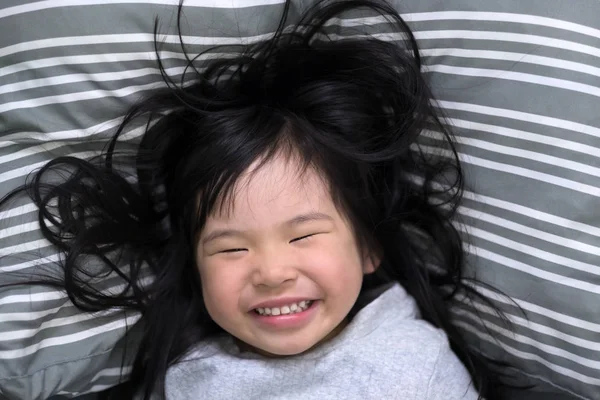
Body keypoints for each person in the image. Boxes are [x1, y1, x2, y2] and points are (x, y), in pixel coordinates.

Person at [0, 0, 514, 399]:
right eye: (231, 249)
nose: (270, 271)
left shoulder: (413, 365)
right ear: (196, 267)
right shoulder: (185, 372)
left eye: (304, 234)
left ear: (368, 246)